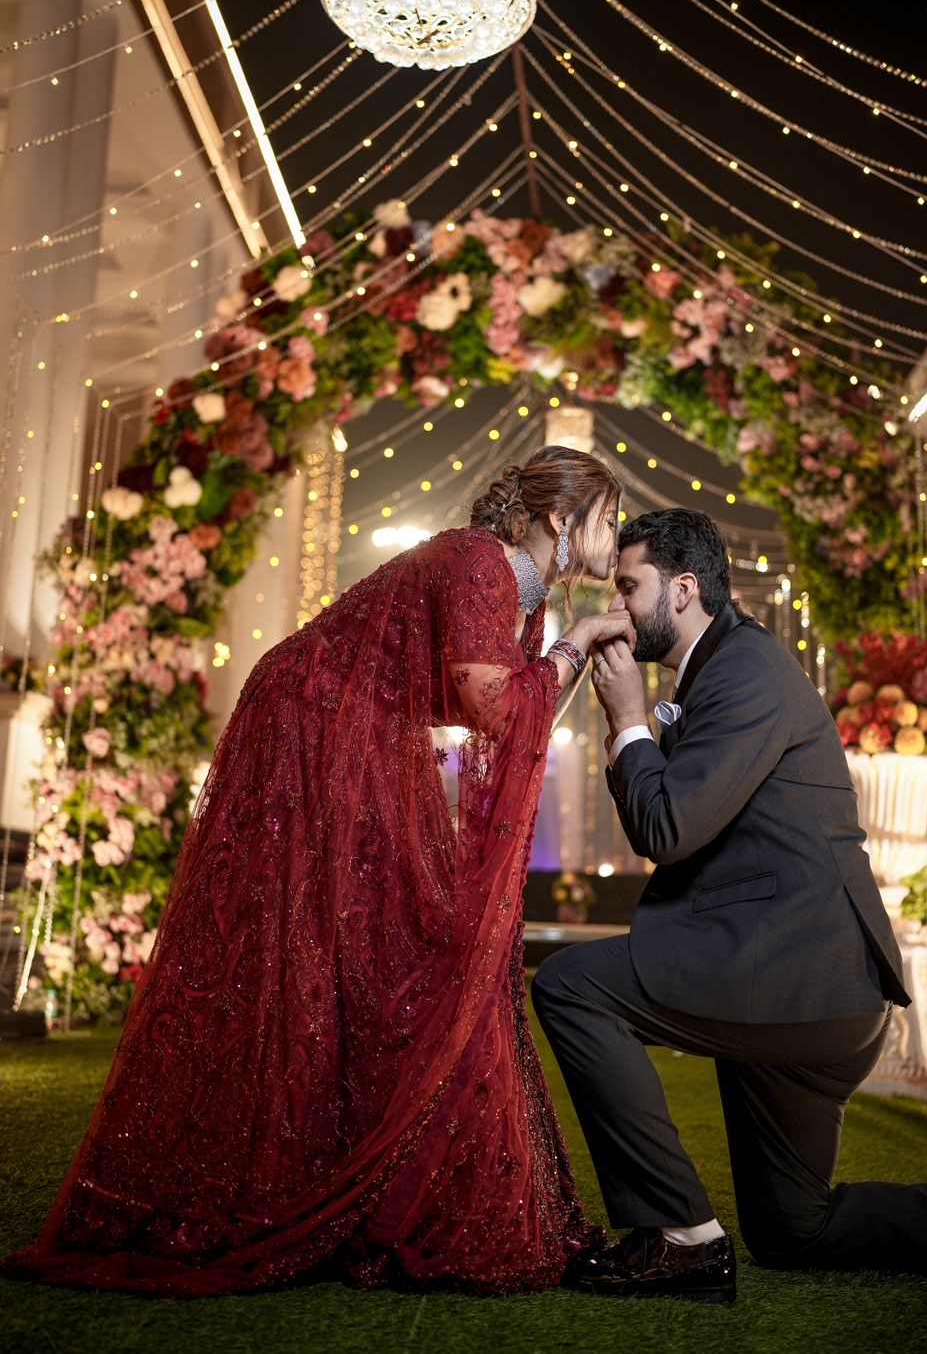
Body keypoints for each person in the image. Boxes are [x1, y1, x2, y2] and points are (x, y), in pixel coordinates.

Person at [5, 446, 635, 1298]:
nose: (616, 534)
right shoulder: (482, 562)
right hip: (312, 731)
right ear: (564, 520)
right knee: (323, 944)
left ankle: (351, 1176)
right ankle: (272, 1185)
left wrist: (555, 654)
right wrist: (581, 642)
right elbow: (495, 708)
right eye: (609, 517)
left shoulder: (508, 582)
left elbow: (485, 701)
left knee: (371, 944)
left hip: (356, 735)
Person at [533, 507, 927, 1303]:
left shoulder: (747, 672)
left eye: (629, 587)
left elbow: (667, 827)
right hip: (800, 982)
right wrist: (637, 727)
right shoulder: (719, 668)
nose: (616, 608)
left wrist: (624, 722)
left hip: (796, 974)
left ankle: (681, 1240)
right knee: (793, 1229)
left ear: (682, 590)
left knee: (569, 986)